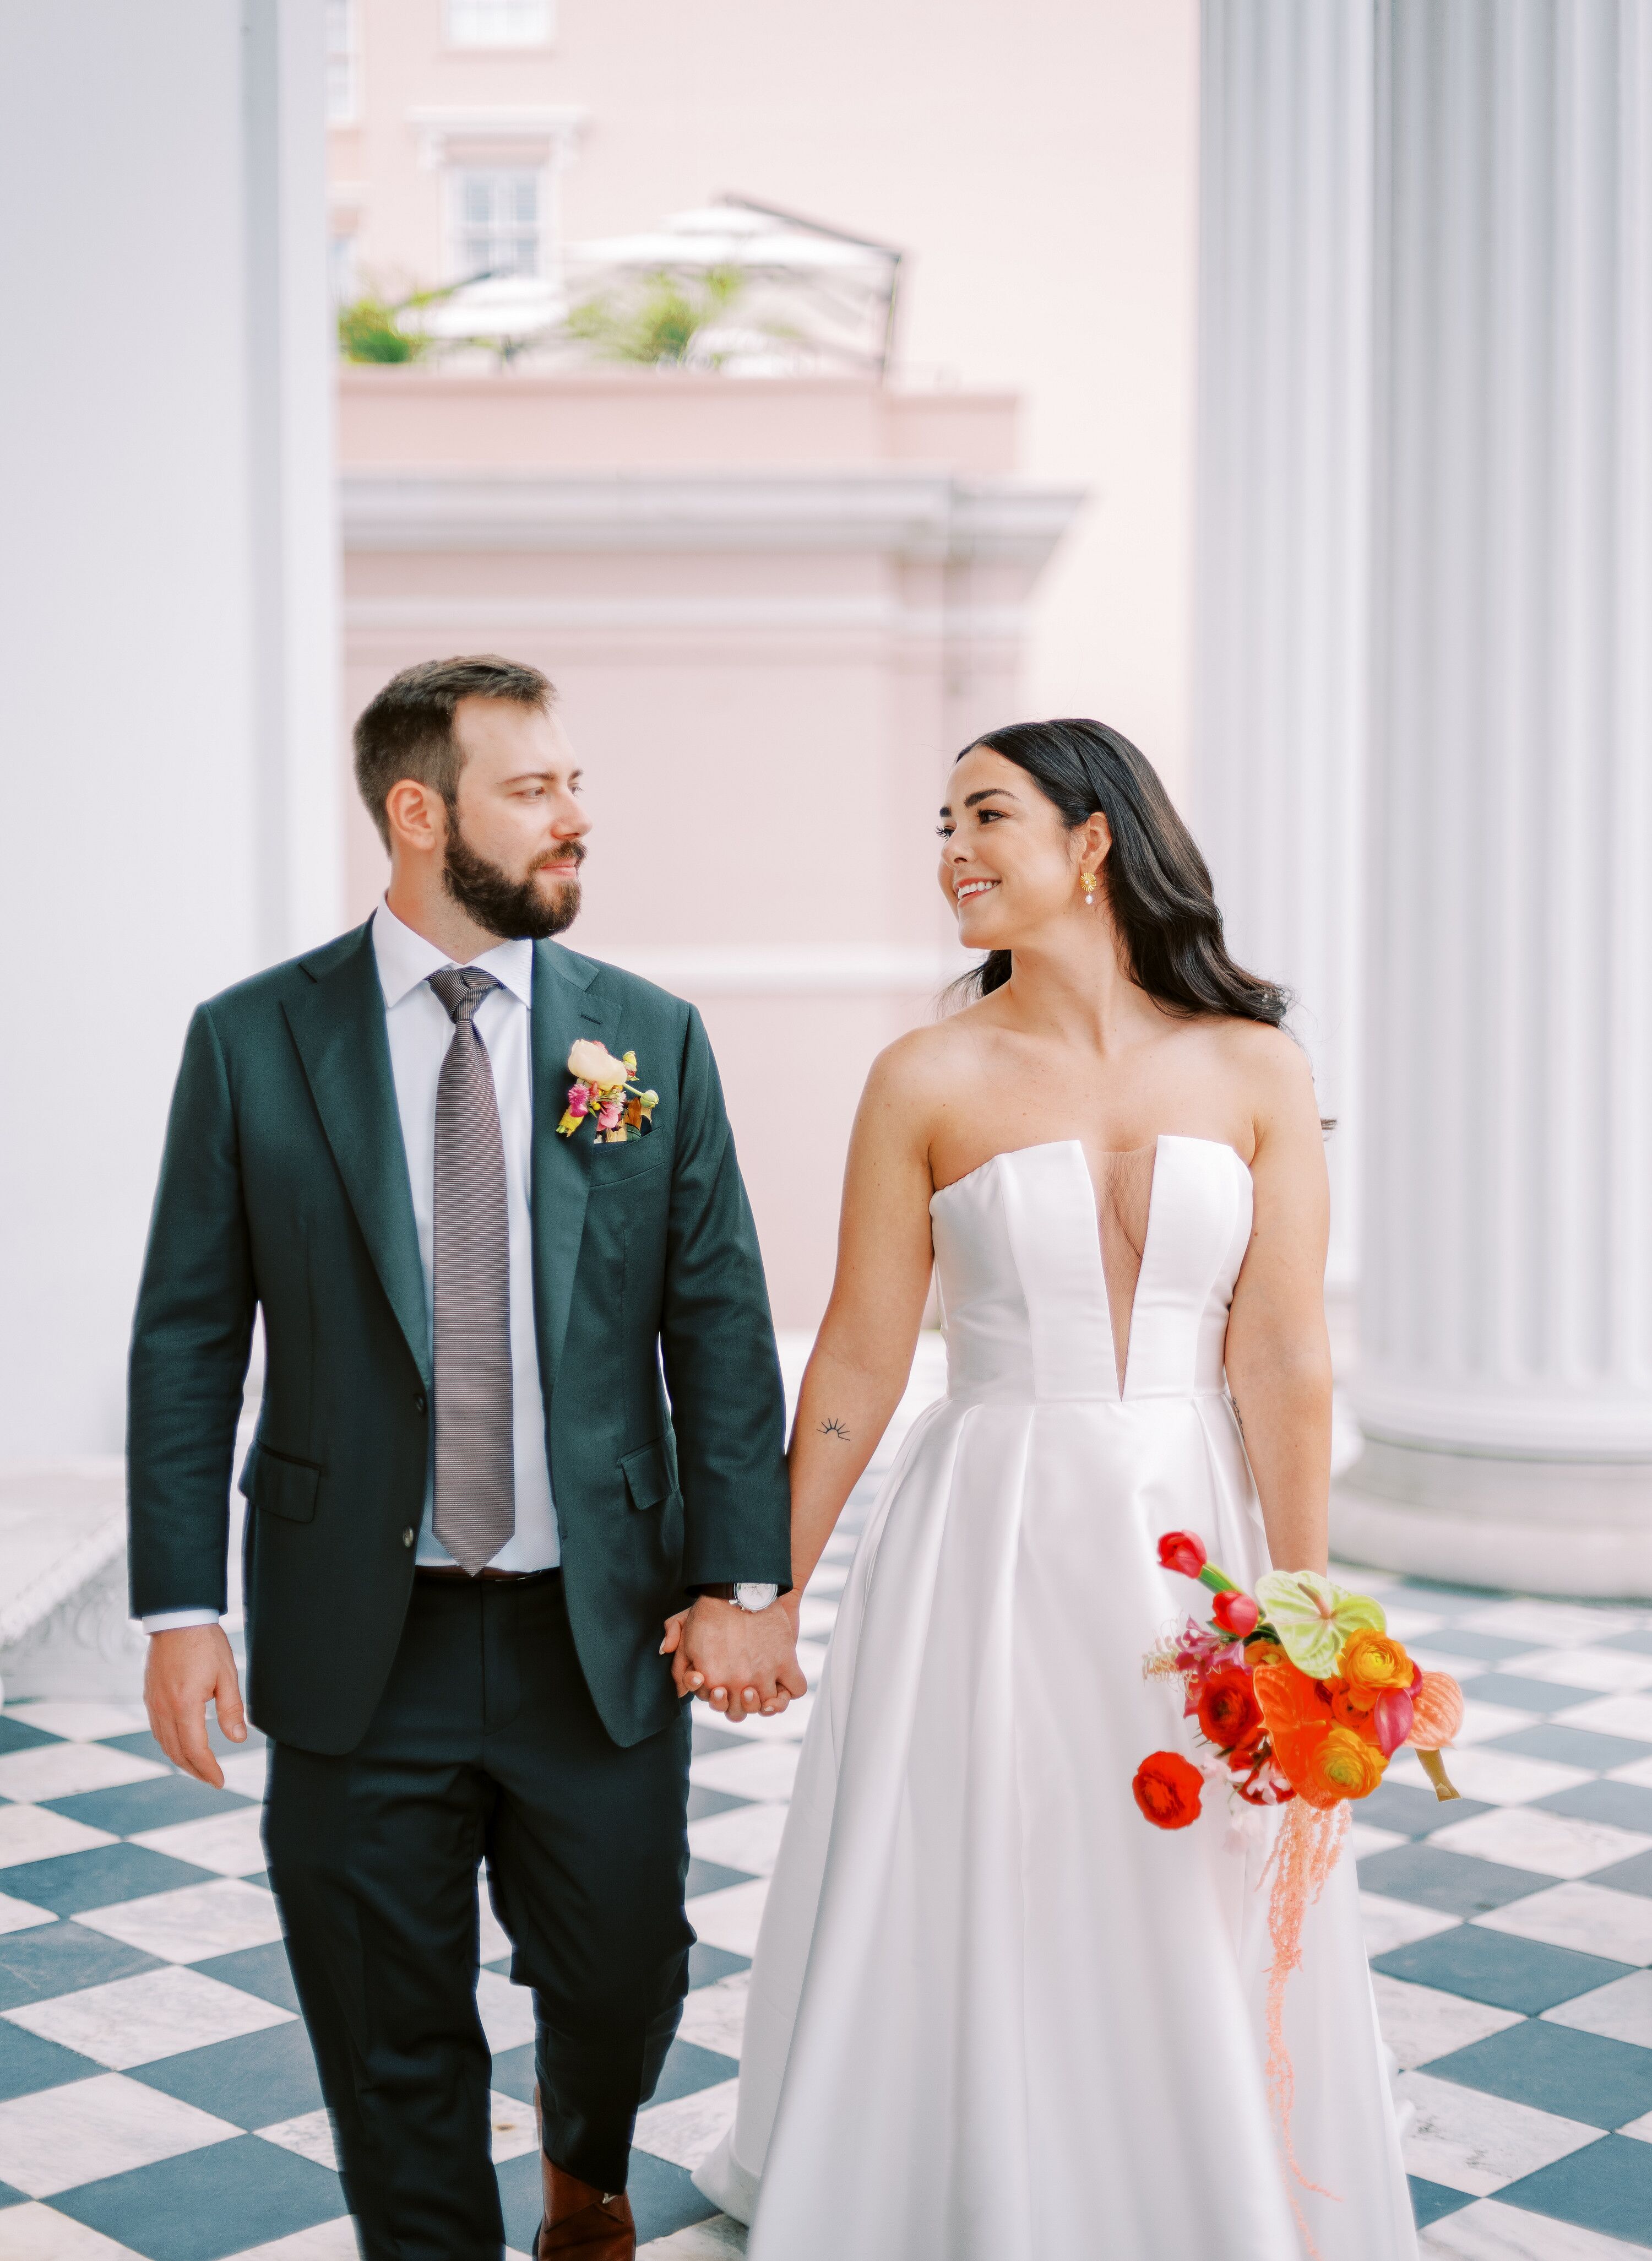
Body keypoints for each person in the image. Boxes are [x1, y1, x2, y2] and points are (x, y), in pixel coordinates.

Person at [692, 720, 1417, 2259]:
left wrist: (1309, 1614)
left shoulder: (1254, 1065)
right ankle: (970, 2183)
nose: (951, 848)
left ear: (1094, 841)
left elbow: (1284, 1355)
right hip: (989, 1527)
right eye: (941, 820)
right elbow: (860, 1363)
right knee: (993, 1852)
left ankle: (1198, 2183)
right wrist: (769, 1589)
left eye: (986, 814)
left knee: (1191, 1853)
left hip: (1193, 1525)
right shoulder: (925, 1073)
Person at [129, 655, 804, 2261]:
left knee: (627, 1965)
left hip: (600, 1621)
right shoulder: (252, 1039)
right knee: (383, 2008)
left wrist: (740, 1573)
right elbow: (187, 1332)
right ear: (419, 813)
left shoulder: (647, 1038)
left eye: (575, 783)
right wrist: (179, 1607)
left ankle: (588, 2161)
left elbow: (717, 1320)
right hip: (363, 1626)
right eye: (536, 788)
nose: (577, 817)